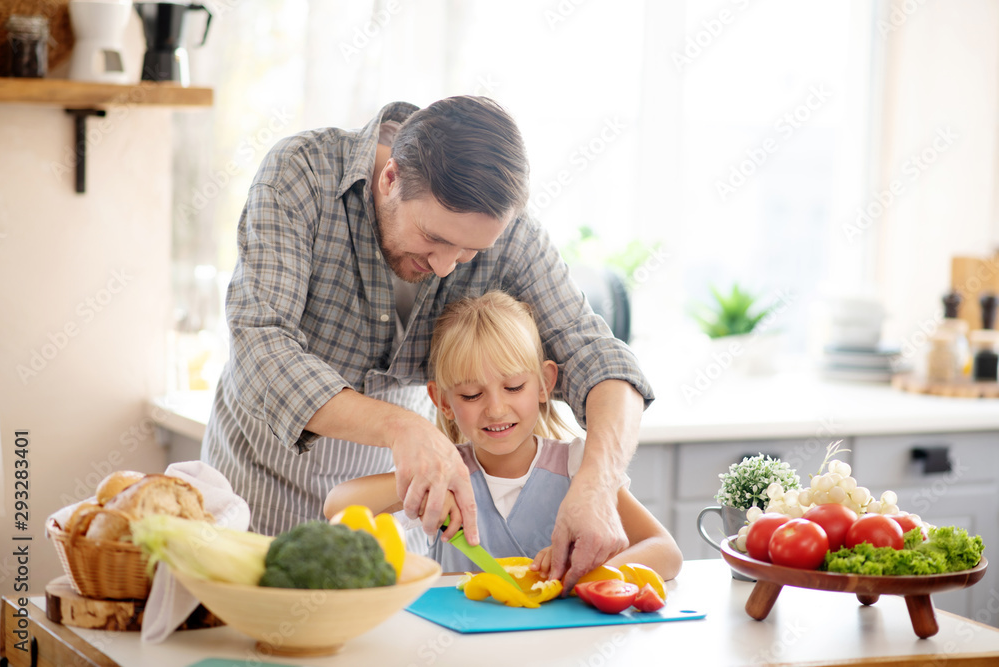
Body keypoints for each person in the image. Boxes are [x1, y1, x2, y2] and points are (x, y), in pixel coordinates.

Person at [201, 95, 655, 587]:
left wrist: (598, 483)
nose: (444, 266)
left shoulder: (512, 236)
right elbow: (259, 346)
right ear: (390, 178)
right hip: (258, 484)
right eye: (434, 239)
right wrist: (402, 429)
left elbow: (598, 357)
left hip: (395, 513)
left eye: (468, 250)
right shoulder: (302, 175)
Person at [324, 292, 682, 580]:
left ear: (545, 383)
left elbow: (665, 551)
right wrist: (423, 484)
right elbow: (338, 507)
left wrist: (592, 574)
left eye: (513, 387)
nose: (495, 409)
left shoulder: (576, 465)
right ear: (443, 401)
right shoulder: (444, 472)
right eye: (471, 395)